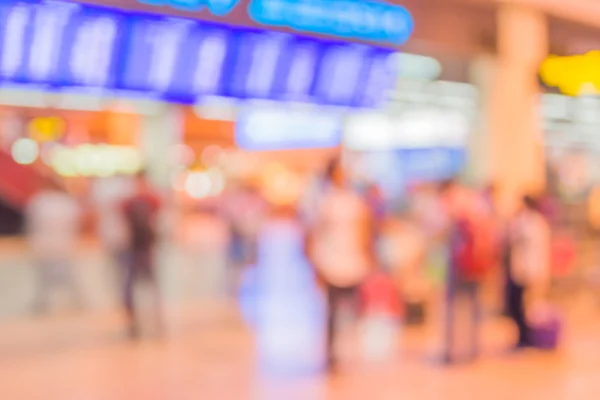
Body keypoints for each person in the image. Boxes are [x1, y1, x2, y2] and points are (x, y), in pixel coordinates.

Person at [308, 157, 373, 370]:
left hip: (352, 261)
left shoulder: (355, 200)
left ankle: (349, 349)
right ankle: (331, 354)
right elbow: (316, 234)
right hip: (331, 262)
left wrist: (366, 256)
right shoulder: (325, 202)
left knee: (353, 309)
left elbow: (364, 232)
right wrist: (316, 263)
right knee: (333, 311)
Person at [439, 179, 496, 364]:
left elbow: (440, 230)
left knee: (454, 307)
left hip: (460, 263)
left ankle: (452, 350)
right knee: (473, 305)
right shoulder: (477, 202)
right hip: (475, 264)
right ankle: (472, 348)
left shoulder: (452, 204)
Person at [27, 180, 82, 313]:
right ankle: (75, 300)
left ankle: (45, 302)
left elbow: (32, 224)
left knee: (48, 276)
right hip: (58, 243)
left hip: (49, 243)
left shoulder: (40, 201)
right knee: (61, 275)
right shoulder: (62, 202)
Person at [120, 170, 163, 338]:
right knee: (130, 288)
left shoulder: (152, 201)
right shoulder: (128, 203)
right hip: (133, 250)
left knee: (151, 286)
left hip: (147, 250)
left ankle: (157, 320)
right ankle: (133, 321)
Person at [507, 195, 551, 350]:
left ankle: (528, 338)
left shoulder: (531, 222)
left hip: (529, 271)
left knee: (526, 307)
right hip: (525, 271)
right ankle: (525, 337)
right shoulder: (534, 222)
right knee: (520, 306)